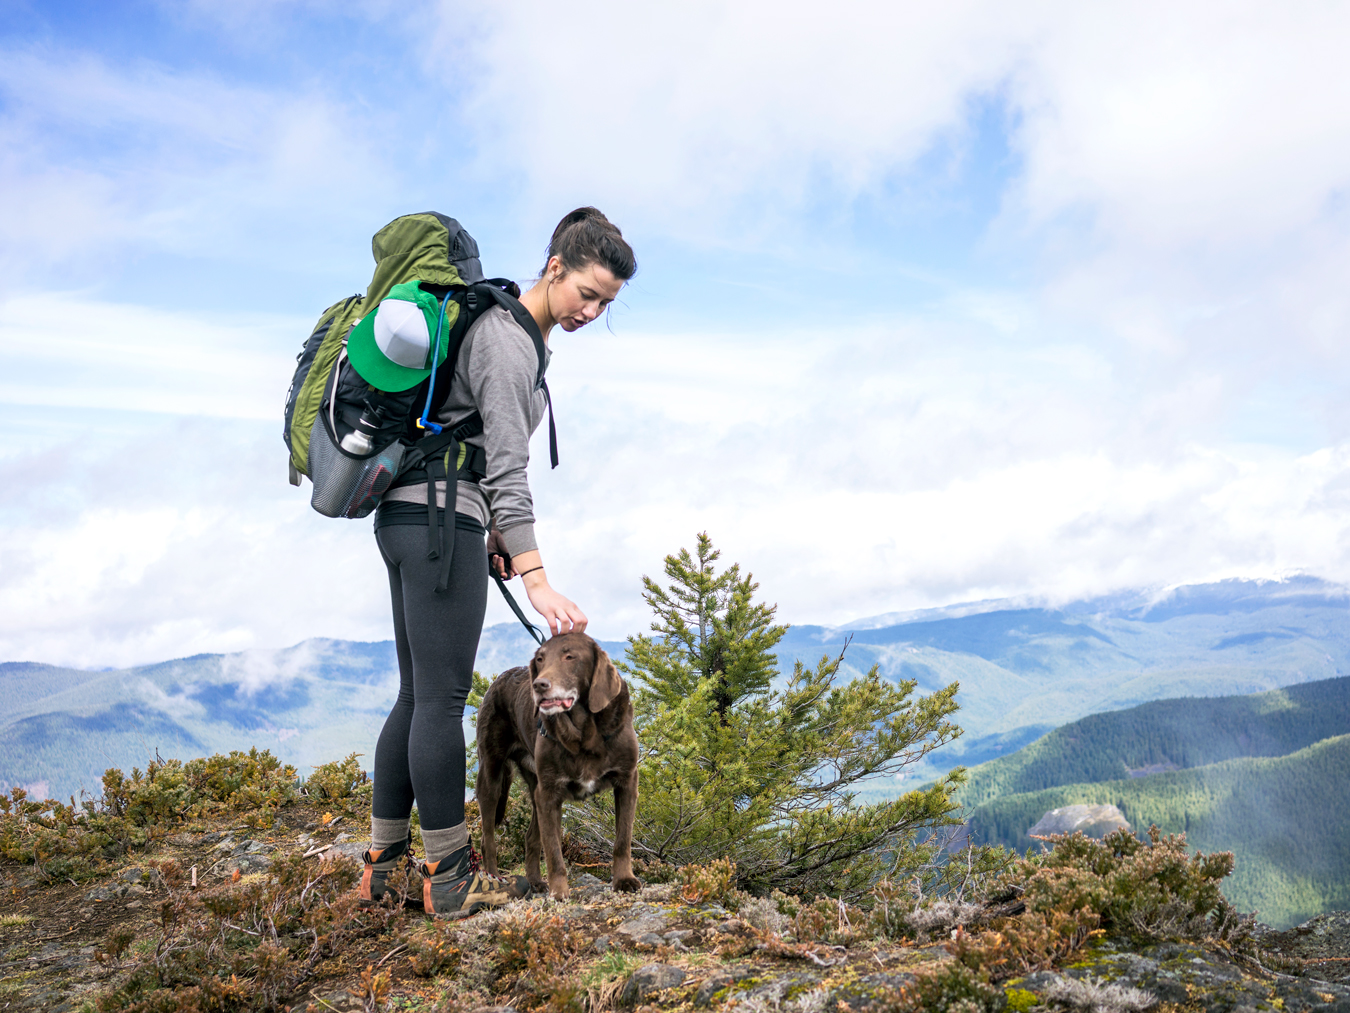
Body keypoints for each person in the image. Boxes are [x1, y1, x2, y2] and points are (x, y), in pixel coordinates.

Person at [358, 208, 637, 916]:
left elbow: (471, 449)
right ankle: (449, 871)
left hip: (410, 516)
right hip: (438, 520)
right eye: (587, 292)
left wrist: (490, 537)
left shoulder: (501, 330)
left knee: (416, 693)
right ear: (555, 268)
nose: (592, 310)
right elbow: (508, 470)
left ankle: (384, 864)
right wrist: (537, 578)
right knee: (443, 699)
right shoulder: (510, 342)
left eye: (605, 303)